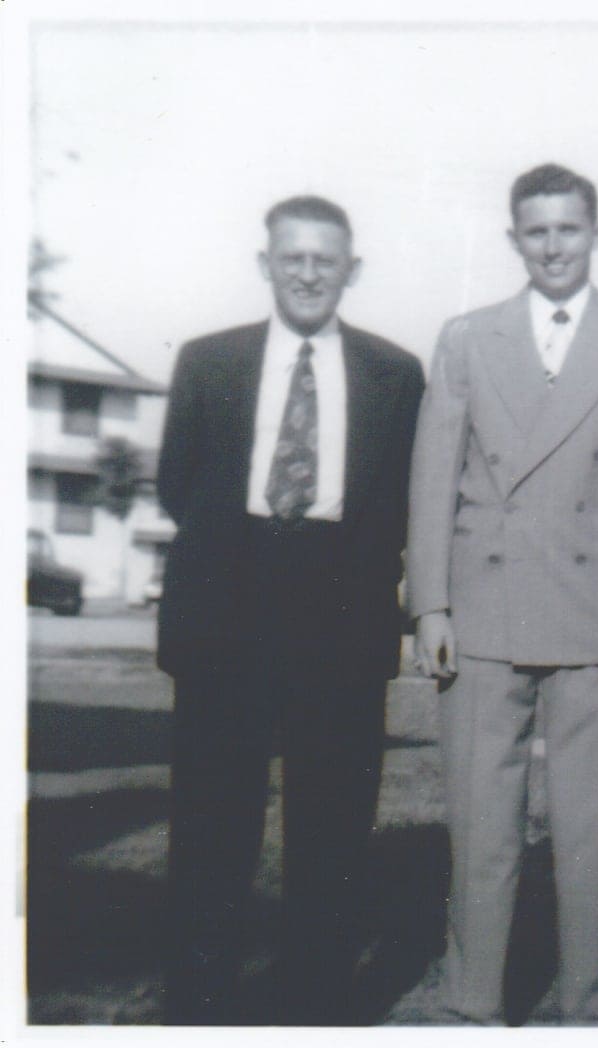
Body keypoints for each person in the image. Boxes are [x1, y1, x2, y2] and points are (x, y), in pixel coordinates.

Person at [406, 163, 598, 1024]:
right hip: (480, 622)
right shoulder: (465, 337)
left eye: (569, 229)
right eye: (537, 231)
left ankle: (589, 1014)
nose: (554, 246)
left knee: (593, 843)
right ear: (513, 238)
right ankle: (471, 1006)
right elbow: (432, 475)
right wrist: (431, 606)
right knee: (482, 835)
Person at [156, 195, 424, 1025]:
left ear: (352, 269)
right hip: (225, 615)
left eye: (326, 259)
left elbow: (399, 502)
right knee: (211, 824)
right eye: (293, 257)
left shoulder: (395, 372)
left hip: (342, 619)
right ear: (266, 262)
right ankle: (199, 1005)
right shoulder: (209, 361)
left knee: (333, 830)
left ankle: (313, 1006)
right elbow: (180, 485)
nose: (309, 273)